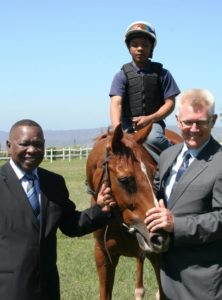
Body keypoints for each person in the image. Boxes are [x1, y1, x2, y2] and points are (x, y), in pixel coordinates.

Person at [0, 119, 115, 300]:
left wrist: (100, 209)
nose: (31, 150)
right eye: (24, 144)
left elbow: (71, 225)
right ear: (9, 145)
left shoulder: (54, 182)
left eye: (38, 144)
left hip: (48, 289)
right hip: (8, 289)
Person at [144, 89, 222, 300]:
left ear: (213, 121)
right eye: (188, 122)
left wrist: (176, 225)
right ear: (178, 121)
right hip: (168, 275)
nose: (194, 129)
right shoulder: (167, 155)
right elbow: (155, 198)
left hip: (202, 281)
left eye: (201, 122)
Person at [109, 20, 180, 152]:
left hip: (153, 124)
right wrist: (116, 129)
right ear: (129, 47)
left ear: (151, 48)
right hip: (126, 125)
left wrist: (150, 118)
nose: (140, 48)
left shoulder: (163, 74)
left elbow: (170, 103)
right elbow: (116, 103)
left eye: (145, 45)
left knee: (154, 140)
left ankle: (177, 158)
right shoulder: (121, 76)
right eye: (135, 45)